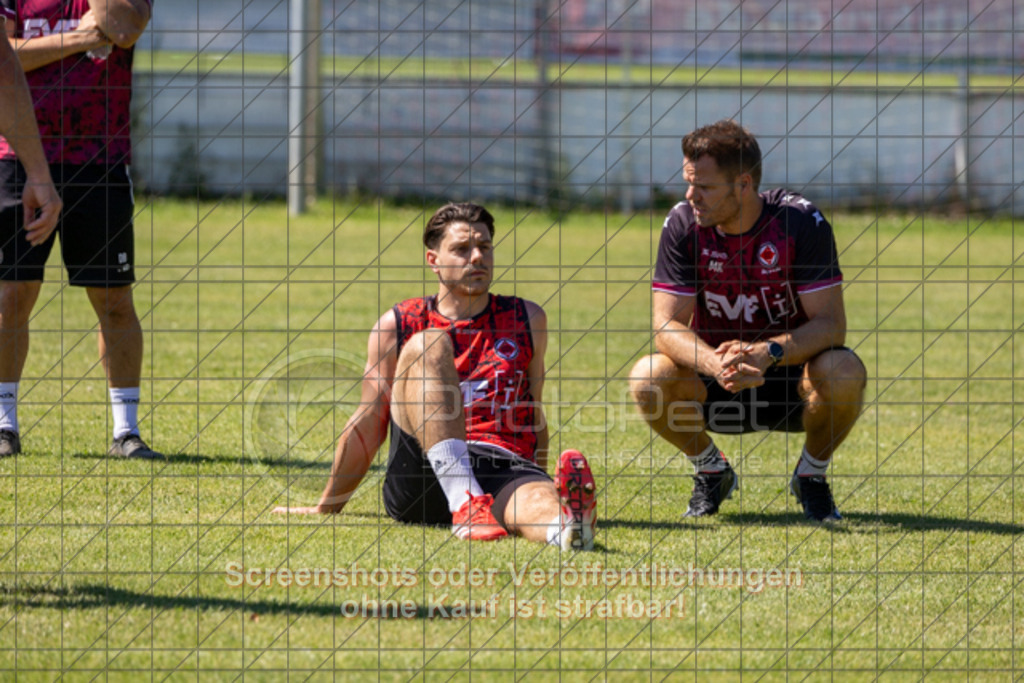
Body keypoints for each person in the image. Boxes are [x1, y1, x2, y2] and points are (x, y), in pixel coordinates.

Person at [274, 202, 597, 550]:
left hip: (500, 462)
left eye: (484, 247)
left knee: (538, 502)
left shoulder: (526, 318)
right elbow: (369, 420)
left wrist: (537, 478)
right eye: (461, 249)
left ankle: (567, 530)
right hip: (421, 473)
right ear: (433, 260)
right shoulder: (399, 323)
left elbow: (531, 410)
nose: (476, 257)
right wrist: (327, 505)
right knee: (430, 344)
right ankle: (464, 501)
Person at [630, 119, 866, 522]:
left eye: (703, 187)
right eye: (689, 183)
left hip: (789, 381)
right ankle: (711, 471)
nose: (691, 196)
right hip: (714, 380)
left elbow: (830, 325)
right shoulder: (683, 224)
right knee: (648, 377)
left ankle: (811, 476)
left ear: (743, 184)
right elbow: (665, 326)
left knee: (844, 369)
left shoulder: (798, 223)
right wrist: (714, 363)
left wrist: (767, 353)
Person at [0, 0, 160, 458]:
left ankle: (125, 432)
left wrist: (58, 42)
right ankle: (4, 424)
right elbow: (5, 55)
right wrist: (81, 39)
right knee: (12, 294)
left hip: (100, 160)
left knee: (114, 298)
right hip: (19, 157)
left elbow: (125, 26)